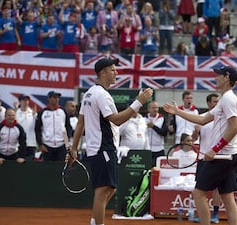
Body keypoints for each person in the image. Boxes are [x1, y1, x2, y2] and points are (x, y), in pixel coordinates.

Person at [69, 58, 153, 225]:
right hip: (103, 148)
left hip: (101, 148)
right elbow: (117, 120)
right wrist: (139, 102)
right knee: (102, 191)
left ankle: (95, 221)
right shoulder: (101, 95)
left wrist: (73, 149)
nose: (117, 73)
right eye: (113, 70)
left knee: (110, 189)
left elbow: (80, 123)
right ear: (102, 73)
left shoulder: (90, 93)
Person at [163, 65, 237, 225]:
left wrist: (214, 149)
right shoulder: (225, 99)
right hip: (229, 154)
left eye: (218, 75)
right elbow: (202, 119)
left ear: (226, 78)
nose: (215, 77)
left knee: (198, 194)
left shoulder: (228, 99)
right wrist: (178, 112)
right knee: (227, 196)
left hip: (222, 155)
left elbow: (235, 128)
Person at [192, 93, 222, 223]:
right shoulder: (202, 118)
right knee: (199, 190)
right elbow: (193, 139)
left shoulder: (223, 118)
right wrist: (196, 131)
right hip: (203, 157)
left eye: (218, 101)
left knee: (216, 188)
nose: (217, 103)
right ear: (208, 103)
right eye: (214, 101)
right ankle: (203, 216)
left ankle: (215, 215)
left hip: (217, 157)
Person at [35, 91, 72, 161]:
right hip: (47, 145)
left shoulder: (63, 111)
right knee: (48, 168)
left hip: (61, 145)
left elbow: (68, 127)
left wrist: (68, 140)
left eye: (58, 97)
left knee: (60, 167)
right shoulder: (43, 112)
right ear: (49, 98)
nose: (57, 99)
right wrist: (40, 145)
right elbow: (37, 129)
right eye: (54, 97)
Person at [14, 95, 38, 161]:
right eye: (23, 100)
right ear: (20, 101)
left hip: (31, 143)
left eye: (27, 100)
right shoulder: (16, 113)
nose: (25, 102)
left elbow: (37, 127)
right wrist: (15, 111)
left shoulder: (33, 113)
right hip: (18, 144)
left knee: (30, 164)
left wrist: (35, 115)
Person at [146, 101, 168, 167]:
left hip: (159, 149)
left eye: (157, 108)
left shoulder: (162, 118)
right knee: (147, 169)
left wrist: (153, 126)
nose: (155, 109)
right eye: (153, 108)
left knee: (159, 168)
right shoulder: (144, 119)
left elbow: (164, 132)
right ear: (148, 109)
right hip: (147, 148)